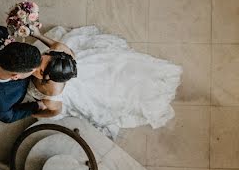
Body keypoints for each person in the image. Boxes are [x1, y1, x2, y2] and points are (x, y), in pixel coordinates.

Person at [27, 23, 182, 138]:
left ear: (48, 79)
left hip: (82, 92)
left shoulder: (53, 96)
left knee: (115, 93)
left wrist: (32, 114)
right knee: (115, 70)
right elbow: (55, 44)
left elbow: (54, 112)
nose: (34, 66)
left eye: (39, 71)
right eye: (43, 58)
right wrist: (36, 34)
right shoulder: (64, 53)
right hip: (88, 67)